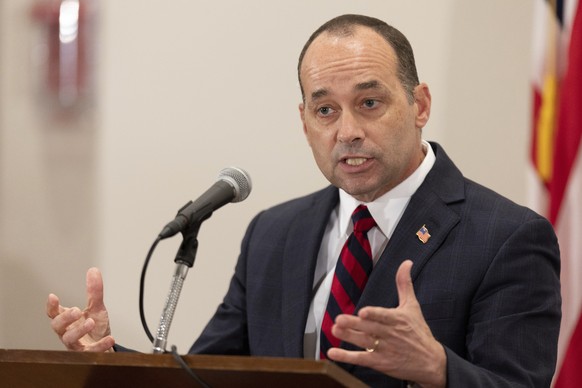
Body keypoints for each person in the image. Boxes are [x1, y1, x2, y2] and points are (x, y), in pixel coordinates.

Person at [46, 14, 561, 387]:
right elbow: (207, 378)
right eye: (325, 110)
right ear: (304, 120)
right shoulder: (275, 233)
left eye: (370, 102)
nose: (348, 131)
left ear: (419, 104)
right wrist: (111, 357)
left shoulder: (505, 237)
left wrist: (441, 371)